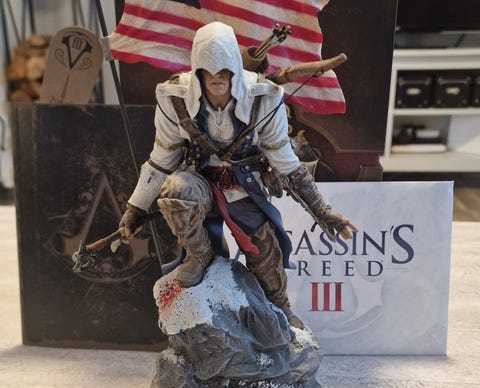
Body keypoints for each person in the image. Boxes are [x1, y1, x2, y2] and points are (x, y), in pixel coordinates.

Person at [119, 21, 357, 329]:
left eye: (224, 70)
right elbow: (162, 160)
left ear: (234, 66)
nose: (216, 78)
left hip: (244, 183)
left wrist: (322, 211)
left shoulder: (264, 97)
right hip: (199, 180)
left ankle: (280, 308)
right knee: (176, 190)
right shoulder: (174, 97)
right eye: (208, 71)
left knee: (264, 250)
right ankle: (200, 255)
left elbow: (286, 162)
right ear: (197, 69)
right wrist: (135, 207)